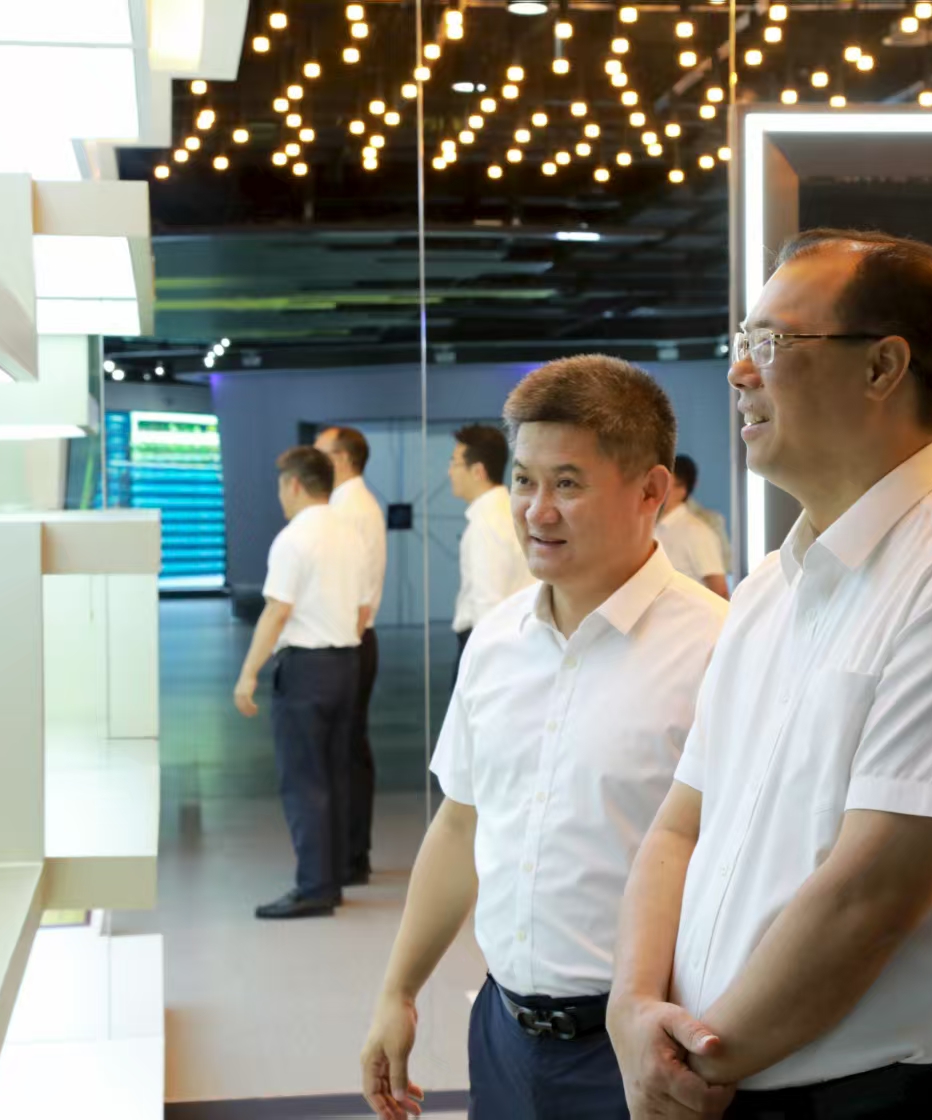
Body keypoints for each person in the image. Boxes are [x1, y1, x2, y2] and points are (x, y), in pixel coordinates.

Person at [610, 229, 932, 1120]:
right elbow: (679, 827)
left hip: (901, 1103)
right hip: (730, 1084)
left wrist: (689, 1072)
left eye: (769, 343)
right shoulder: (768, 592)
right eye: (741, 343)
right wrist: (630, 1010)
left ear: (882, 367)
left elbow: (869, 898)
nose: (739, 373)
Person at [360, 356, 730, 1120]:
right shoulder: (495, 641)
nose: (536, 510)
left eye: (567, 483)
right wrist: (398, 990)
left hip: (642, 1048)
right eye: (523, 481)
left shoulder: (720, 650)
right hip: (503, 1035)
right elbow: (461, 823)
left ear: (651, 492)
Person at [233, 446, 365, 920]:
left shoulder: (293, 539)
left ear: (293, 484)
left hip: (307, 670)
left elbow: (277, 610)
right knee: (334, 775)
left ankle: (314, 887)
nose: (280, 497)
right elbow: (364, 607)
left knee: (304, 781)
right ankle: (332, 877)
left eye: (280, 487)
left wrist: (248, 672)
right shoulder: (350, 535)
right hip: (346, 663)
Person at [315, 425, 387, 888]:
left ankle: (349, 855)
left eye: (319, 453)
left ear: (341, 459)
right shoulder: (352, 504)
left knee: (344, 753)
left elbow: (353, 590)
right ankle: (351, 853)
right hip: (355, 637)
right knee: (349, 750)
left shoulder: (349, 509)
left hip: (351, 639)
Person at [447, 422, 533, 682]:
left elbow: (489, 603)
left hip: (489, 647)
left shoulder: (487, 524)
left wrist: (485, 669)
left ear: (478, 471)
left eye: (454, 463)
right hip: (514, 643)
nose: (449, 472)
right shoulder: (505, 512)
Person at [654, 454, 730, 599]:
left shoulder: (697, 532)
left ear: (682, 490)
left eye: (664, 485)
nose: (656, 491)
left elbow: (720, 591)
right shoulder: (653, 528)